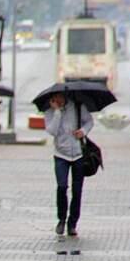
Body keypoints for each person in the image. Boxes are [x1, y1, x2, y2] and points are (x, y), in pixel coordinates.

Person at [44, 92, 94, 237]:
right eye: (55, 98)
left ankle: (72, 224)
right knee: (62, 187)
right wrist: (57, 112)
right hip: (61, 154)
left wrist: (83, 131)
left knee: (77, 190)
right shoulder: (49, 112)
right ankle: (61, 219)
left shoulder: (77, 107)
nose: (59, 100)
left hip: (78, 154)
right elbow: (52, 131)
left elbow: (89, 121)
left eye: (61, 97)